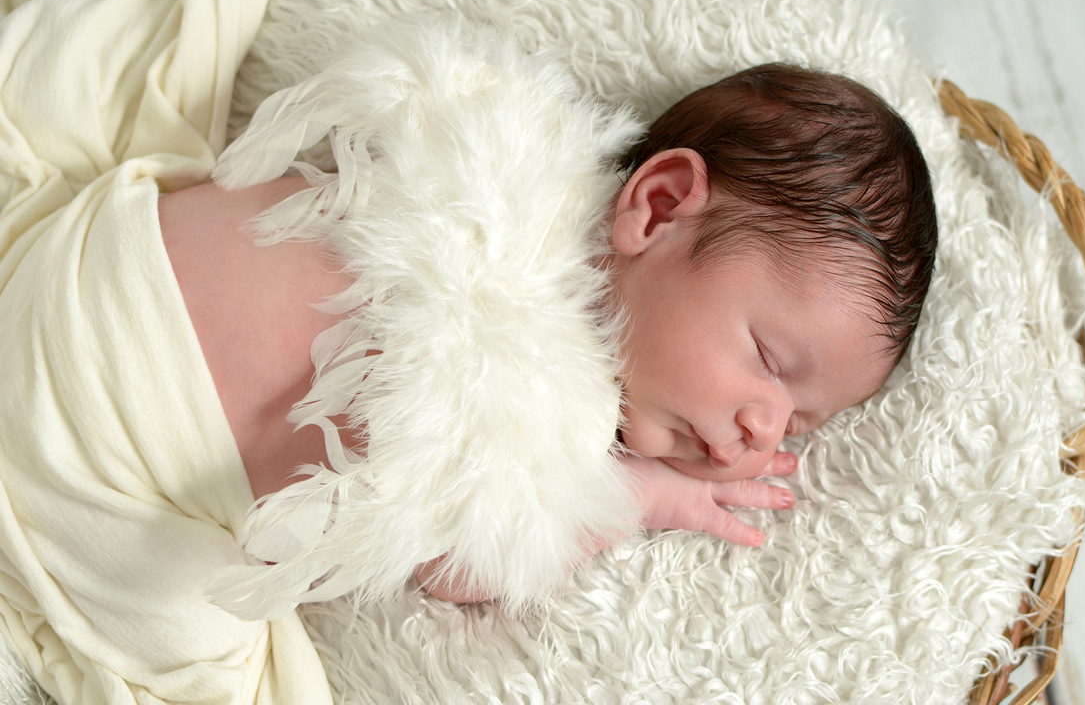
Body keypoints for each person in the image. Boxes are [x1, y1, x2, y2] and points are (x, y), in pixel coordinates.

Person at [158, 61, 936, 604]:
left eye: (798, 424)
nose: (765, 428)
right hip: (132, 314)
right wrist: (628, 499)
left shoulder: (513, 158)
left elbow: (441, 543)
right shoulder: (562, 399)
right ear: (659, 208)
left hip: (134, 363)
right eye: (769, 359)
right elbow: (457, 569)